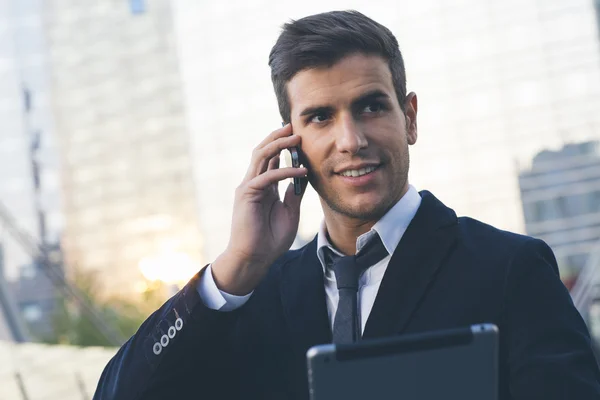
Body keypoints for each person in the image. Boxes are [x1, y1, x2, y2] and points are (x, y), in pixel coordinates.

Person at [93, 10, 600, 400]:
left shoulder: (509, 268)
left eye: (371, 106)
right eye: (319, 118)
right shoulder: (252, 294)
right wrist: (234, 268)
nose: (351, 140)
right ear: (290, 144)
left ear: (410, 118)